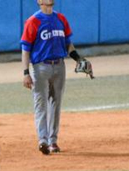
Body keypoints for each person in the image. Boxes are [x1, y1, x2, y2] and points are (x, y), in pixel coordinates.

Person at [21, 0, 84, 155]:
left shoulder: (61, 19)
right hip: (40, 67)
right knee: (41, 104)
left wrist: (78, 59)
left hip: (59, 65)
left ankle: (53, 141)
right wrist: (25, 72)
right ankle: (42, 141)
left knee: (56, 104)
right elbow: (25, 49)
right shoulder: (33, 21)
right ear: (39, 1)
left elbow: (68, 44)